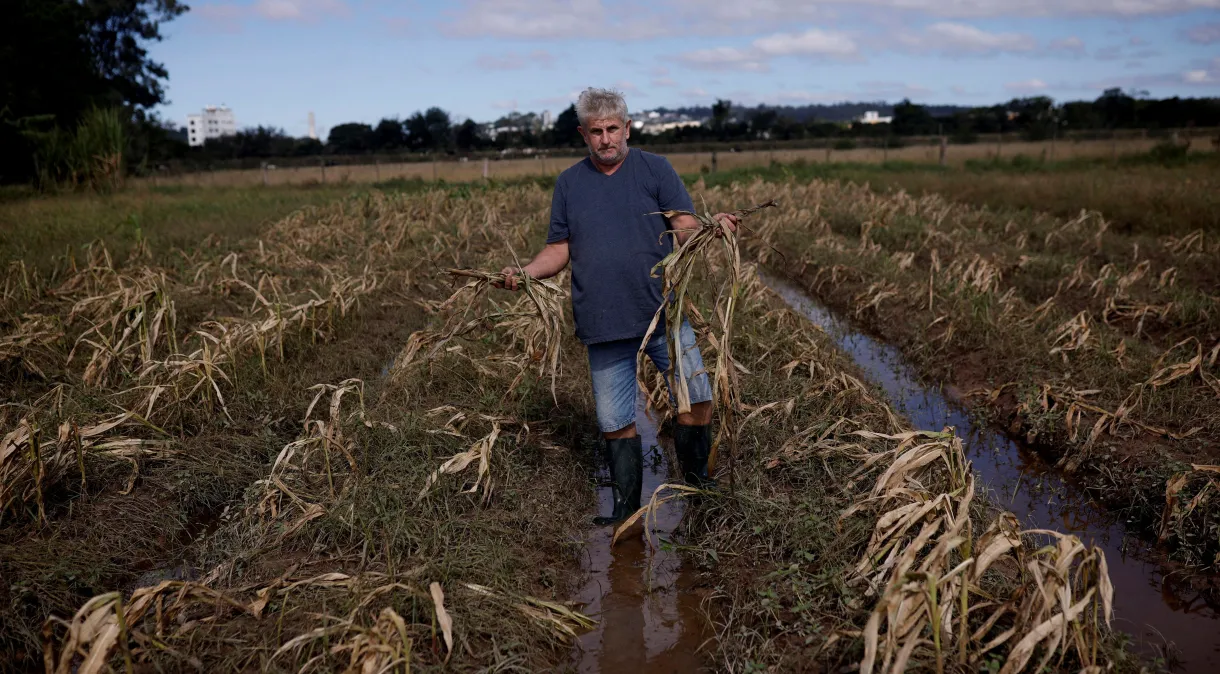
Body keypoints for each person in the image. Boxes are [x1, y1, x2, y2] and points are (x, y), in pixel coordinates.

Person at [497, 87, 739, 526]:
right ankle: (626, 512)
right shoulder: (570, 183)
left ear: (627, 128)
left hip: (663, 313)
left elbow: (682, 225)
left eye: (613, 129)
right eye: (596, 132)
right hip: (603, 321)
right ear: (583, 135)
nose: (606, 139)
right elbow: (558, 248)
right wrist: (527, 273)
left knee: (696, 400)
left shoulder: (655, 169)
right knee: (615, 421)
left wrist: (708, 227)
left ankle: (699, 490)